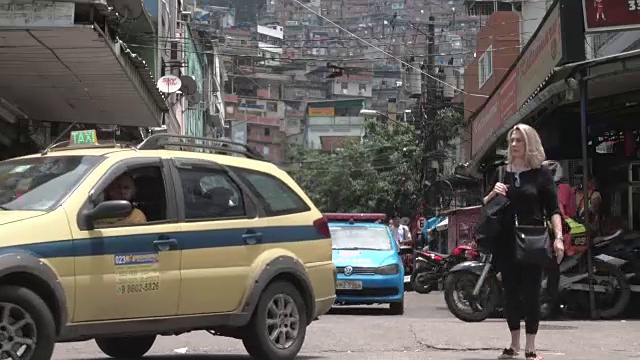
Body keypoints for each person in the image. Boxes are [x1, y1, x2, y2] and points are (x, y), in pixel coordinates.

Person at [483, 124, 564, 360]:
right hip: (506, 241)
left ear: (529, 143)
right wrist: (491, 194)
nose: (514, 145)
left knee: (531, 294)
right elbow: (487, 209)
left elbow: (554, 210)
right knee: (510, 294)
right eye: (512, 141)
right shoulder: (501, 173)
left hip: (532, 240)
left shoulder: (541, 173)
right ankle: (513, 344)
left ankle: (531, 347)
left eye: (519, 140)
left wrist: (558, 238)